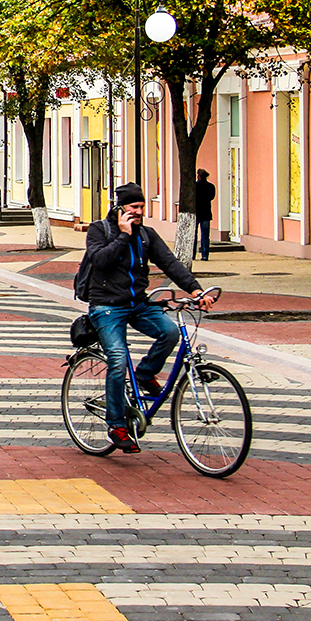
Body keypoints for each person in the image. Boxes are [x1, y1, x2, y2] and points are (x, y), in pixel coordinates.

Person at [78, 182, 213, 454]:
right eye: (134, 207)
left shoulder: (146, 235)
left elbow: (170, 263)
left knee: (170, 332)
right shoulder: (98, 231)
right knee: (117, 358)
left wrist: (196, 289)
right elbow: (100, 260)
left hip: (138, 303)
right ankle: (116, 425)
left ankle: (145, 373)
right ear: (119, 209)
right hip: (106, 306)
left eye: (141, 207)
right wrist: (124, 235)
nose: (139, 212)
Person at [195, 169, 216, 262]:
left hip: (196, 213)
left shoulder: (195, 186)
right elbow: (212, 197)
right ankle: (205, 255)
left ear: (198, 176)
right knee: (205, 236)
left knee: (193, 235)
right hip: (206, 213)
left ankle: (192, 254)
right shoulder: (211, 186)